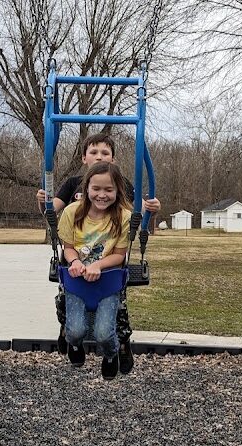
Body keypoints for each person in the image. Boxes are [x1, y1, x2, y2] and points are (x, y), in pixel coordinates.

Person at [36, 133, 161, 375]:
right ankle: (70, 336)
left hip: (109, 265)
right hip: (75, 265)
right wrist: (44, 202)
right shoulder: (73, 186)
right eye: (94, 152)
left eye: (105, 153)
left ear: (113, 160)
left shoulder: (121, 185)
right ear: (84, 158)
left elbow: (137, 215)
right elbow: (52, 213)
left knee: (115, 316)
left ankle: (118, 347)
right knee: (71, 315)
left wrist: (152, 209)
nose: (99, 157)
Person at [57, 161, 131, 380]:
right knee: (75, 331)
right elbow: (68, 248)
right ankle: (75, 345)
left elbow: (119, 255)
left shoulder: (123, 217)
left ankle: (111, 355)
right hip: (77, 279)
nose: (102, 195)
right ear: (86, 188)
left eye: (109, 190)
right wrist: (75, 262)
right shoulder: (72, 212)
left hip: (107, 282)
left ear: (118, 191)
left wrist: (97, 265)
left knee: (103, 334)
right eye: (96, 189)